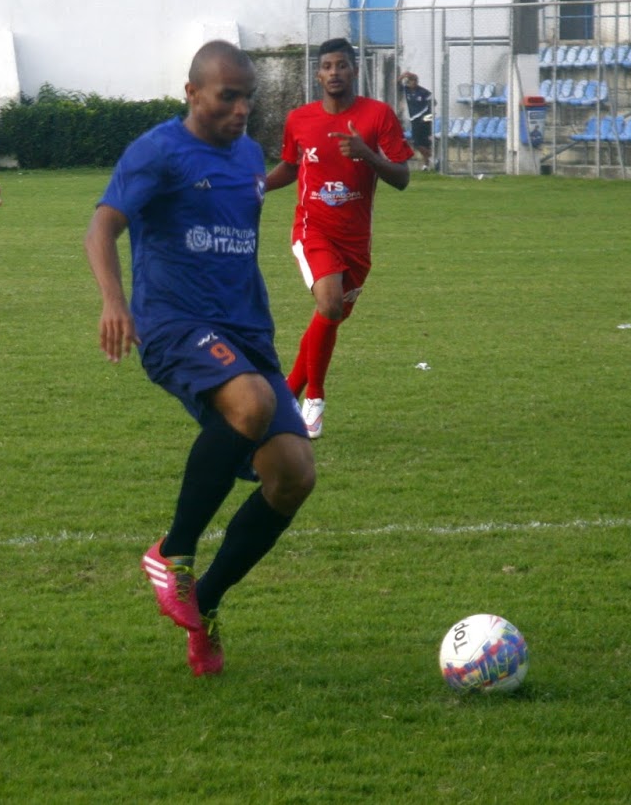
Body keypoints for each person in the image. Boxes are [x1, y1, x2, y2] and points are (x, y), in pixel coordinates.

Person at [85, 39, 316, 678]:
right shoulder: (157, 151)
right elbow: (101, 226)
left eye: (249, 98)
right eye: (227, 97)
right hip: (173, 323)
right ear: (192, 93)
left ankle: (205, 601)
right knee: (252, 402)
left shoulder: (246, 155)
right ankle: (173, 550)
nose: (242, 109)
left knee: (294, 474)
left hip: (247, 331)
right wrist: (113, 301)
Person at [266, 38, 412, 441]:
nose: (334, 73)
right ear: (318, 74)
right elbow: (290, 167)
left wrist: (367, 154)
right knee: (329, 303)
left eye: (342, 65)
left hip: (356, 242)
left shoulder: (377, 115)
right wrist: (256, 186)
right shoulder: (299, 119)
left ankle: (283, 402)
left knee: (328, 319)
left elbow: (402, 178)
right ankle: (314, 398)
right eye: (327, 66)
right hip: (312, 229)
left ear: (354, 71)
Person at [398, 71, 435, 170]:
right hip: (414, 119)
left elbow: (433, 103)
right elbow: (397, 84)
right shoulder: (407, 90)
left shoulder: (423, 92)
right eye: (411, 81)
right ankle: (431, 159)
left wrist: (427, 117)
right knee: (417, 143)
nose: (413, 83)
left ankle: (427, 162)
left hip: (424, 119)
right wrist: (403, 76)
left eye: (415, 80)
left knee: (423, 142)